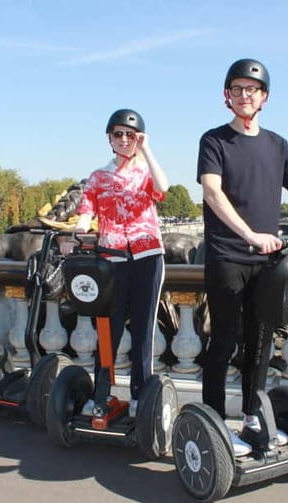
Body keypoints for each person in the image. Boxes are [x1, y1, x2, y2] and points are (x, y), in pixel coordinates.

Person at [197, 59, 288, 456]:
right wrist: (250, 235)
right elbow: (212, 193)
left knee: (260, 341)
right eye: (236, 89)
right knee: (224, 339)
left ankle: (253, 415)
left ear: (263, 98)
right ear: (226, 97)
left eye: (251, 89)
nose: (244, 95)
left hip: (267, 264)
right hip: (228, 256)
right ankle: (215, 420)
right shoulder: (214, 141)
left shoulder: (278, 145)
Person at [74, 109, 168, 417]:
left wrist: (148, 149)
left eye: (131, 135)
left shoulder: (145, 172)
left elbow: (163, 189)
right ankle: (101, 392)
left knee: (143, 329)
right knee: (108, 329)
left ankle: (141, 394)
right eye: (119, 134)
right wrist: (79, 229)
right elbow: (87, 210)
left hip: (147, 256)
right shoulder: (98, 176)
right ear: (109, 138)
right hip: (111, 258)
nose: (125, 140)